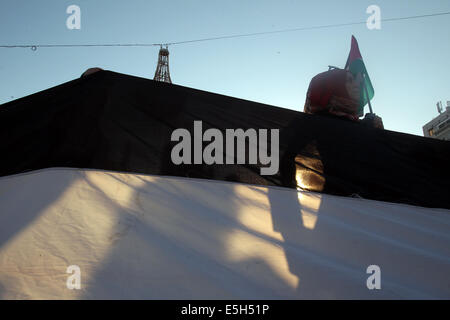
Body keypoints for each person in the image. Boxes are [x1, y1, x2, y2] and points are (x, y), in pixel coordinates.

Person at [304, 68, 383, 129]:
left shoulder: (306, 124)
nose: (357, 85)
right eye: (349, 80)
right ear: (331, 89)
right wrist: (370, 126)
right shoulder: (322, 124)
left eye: (355, 81)